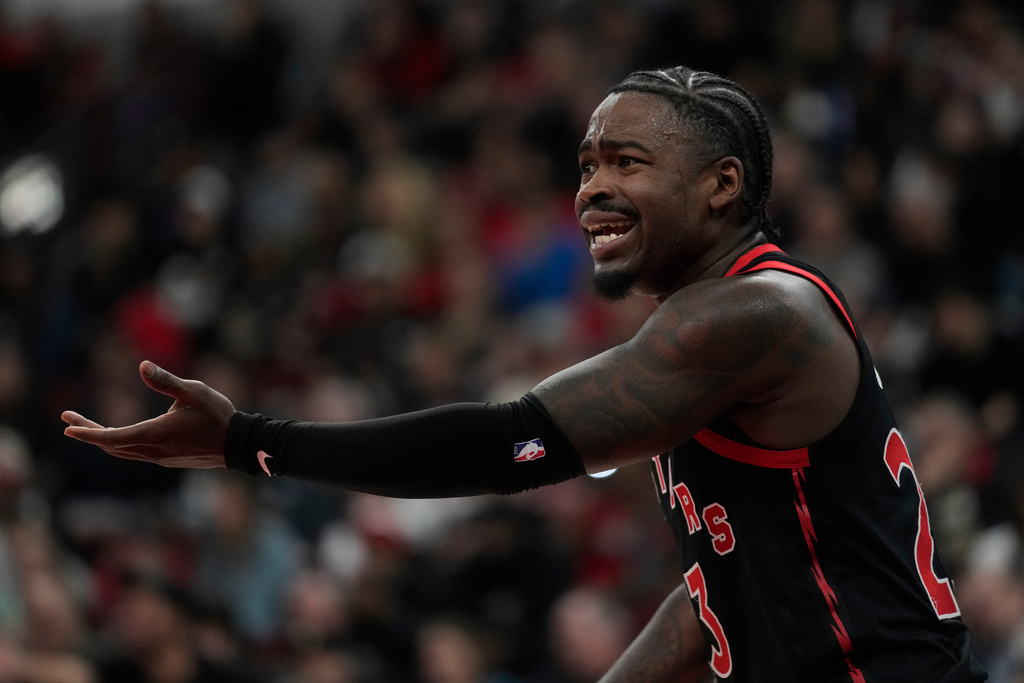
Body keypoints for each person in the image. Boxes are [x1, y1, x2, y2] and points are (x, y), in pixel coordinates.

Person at [62, 66, 987, 682]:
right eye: (586, 165)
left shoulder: (756, 315)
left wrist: (247, 443)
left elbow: (513, 443)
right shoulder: (710, 332)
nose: (590, 188)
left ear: (723, 185)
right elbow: (720, 584)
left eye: (628, 161)